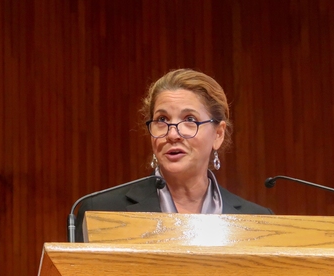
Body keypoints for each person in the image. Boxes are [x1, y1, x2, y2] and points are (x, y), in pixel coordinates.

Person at [74, 68, 272, 241]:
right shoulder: (101, 211)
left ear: (218, 135)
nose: (172, 134)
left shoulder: (259, 220)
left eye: (190, 119)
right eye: (162, 119)